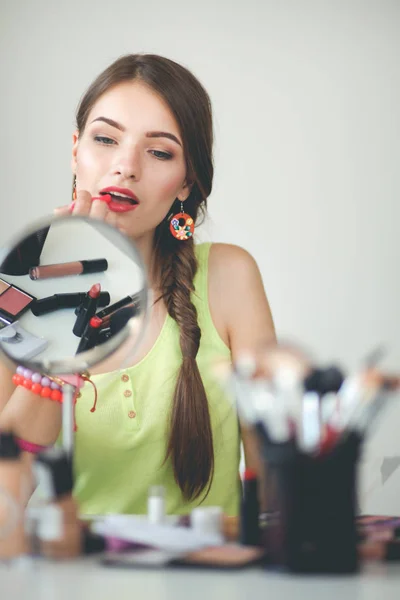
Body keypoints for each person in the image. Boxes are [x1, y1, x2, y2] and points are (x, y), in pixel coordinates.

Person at [0, 54, 275, 516]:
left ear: (186, 181)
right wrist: (54, 344)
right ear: (75, 151)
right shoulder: (13, 295)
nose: (126, 166)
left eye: (159, 151)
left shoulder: (229, 276)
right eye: (105, 139)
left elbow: (273, 481)